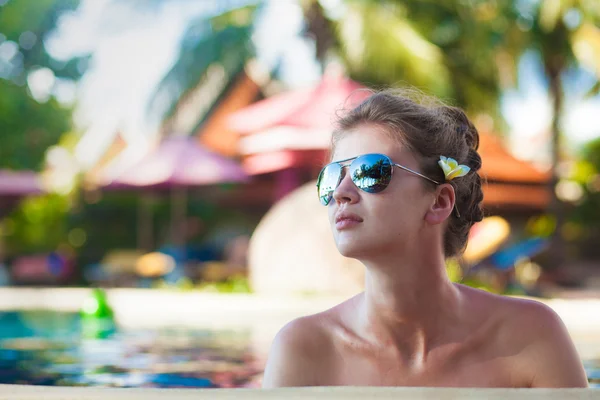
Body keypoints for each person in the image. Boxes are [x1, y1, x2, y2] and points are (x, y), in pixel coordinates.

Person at [262, 90, 588, 388]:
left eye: (370, 171)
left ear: (439, 201)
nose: (342, 193)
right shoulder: (306, 349)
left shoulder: (530, 337)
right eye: (331, 177)